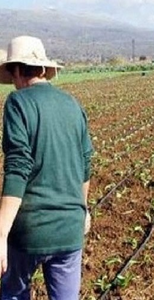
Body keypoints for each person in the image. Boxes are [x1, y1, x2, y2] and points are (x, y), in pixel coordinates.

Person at [0, 36, 93, 299]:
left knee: (13, 292)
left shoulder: (18, 103)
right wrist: (82, 209)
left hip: (30, 230)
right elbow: (85, 164)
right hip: (70, 227)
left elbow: (18, 167)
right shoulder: (73, 105)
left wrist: (1, 233)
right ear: (42, 69)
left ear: (16, 70)